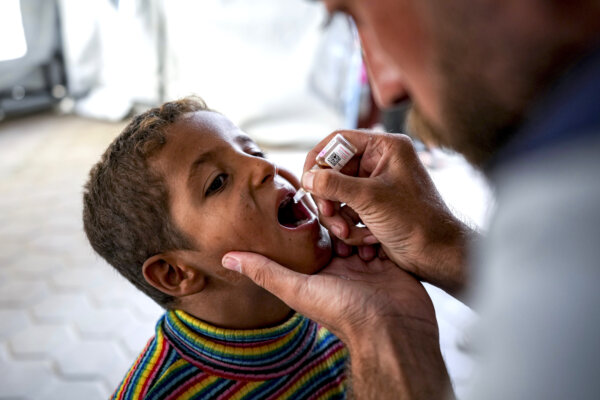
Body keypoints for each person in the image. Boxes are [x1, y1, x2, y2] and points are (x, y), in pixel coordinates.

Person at [221, 0, 600, 399]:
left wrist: (380, 331)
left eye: (359, 16)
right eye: (216, 182)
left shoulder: (569, 218)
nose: (387, 91)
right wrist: (439, 245)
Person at [82, 97, 349, 399]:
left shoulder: (345, 304)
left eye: (254, 151)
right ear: (175, 273)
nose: (265, 167)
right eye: (218, 182)